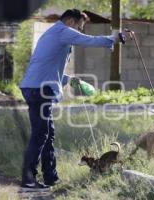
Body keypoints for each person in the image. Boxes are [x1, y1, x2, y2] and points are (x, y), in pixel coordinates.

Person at [20, 9, 122, 192]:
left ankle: (50, 177)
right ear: (70, 22)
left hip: (35, 87)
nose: (79, 32)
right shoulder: (62, 31)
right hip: (39, 89)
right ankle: (28, 180)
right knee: (40, 134)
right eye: (79, 27)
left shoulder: (52, 34)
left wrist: (70, 79)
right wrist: (114, 38)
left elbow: (49, 66)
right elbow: (88, 40)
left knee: (47, 133)